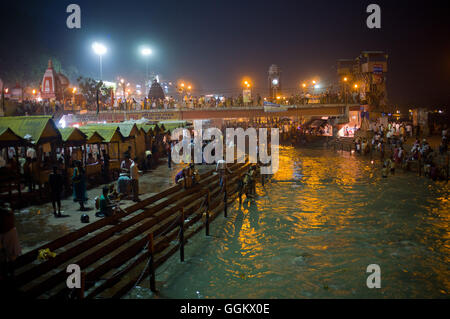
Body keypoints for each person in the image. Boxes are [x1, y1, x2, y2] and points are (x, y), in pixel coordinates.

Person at [0, 202, 21, 280]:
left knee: (10, 257)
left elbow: (9, 211)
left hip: (9, 232)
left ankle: (10, 275)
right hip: (8, 231)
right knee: (5, 258)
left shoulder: (7, 211)